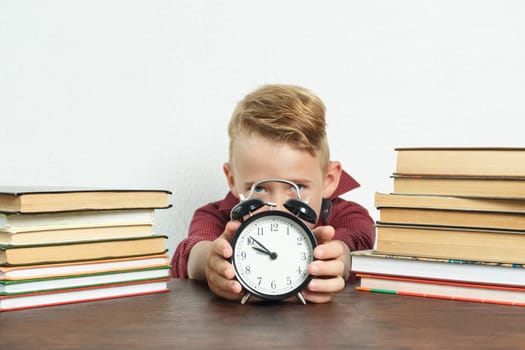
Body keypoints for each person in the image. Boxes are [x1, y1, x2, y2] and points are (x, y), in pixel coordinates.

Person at [171, 84, 375, 303]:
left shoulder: (348, 216)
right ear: (232, 179)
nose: (276, 207)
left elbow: (359, 242)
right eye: (258, 188)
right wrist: (209, 261)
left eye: (297, 187)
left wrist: (338, 256)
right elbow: (189, 252)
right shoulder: (215, 216)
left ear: (329, 180)